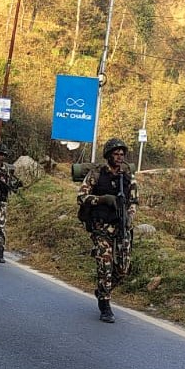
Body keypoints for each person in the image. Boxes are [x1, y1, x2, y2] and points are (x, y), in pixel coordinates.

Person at [77, 137, 138, 323]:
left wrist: (130, 216)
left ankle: (103, 290)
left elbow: (134, 200)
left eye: (122, 154)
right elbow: (81, 197)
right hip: (101, 227)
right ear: (108, 155)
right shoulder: (96, 174)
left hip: (121, 226)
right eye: (116, 154)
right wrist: (102, 199)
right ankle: (105, 305)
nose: (119, 157)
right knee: (105, 265)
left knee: (123, 269)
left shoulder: (127, 176)